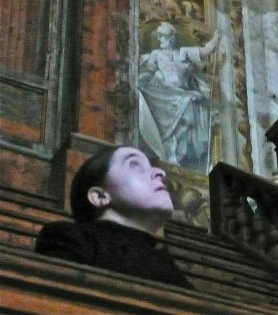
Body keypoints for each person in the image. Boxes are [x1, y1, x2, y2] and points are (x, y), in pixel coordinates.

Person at [34, 146, 193, 289]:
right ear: (100, 196)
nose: (160, 172)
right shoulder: (69, 240)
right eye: (134, 164)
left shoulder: (165, 261)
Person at [138, 21, 220, 167]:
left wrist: (217, 37)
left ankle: (175, 152)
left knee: (190, 105)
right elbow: (148, 73)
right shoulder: (156, 54)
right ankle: (168, 151)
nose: (160, 40)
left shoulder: (184, 52)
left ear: (172, 38)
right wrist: (141, 81)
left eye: (163, 36)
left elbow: (206, 50)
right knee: (186, 103)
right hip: (165, 93)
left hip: (183, 94)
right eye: (159, 36)